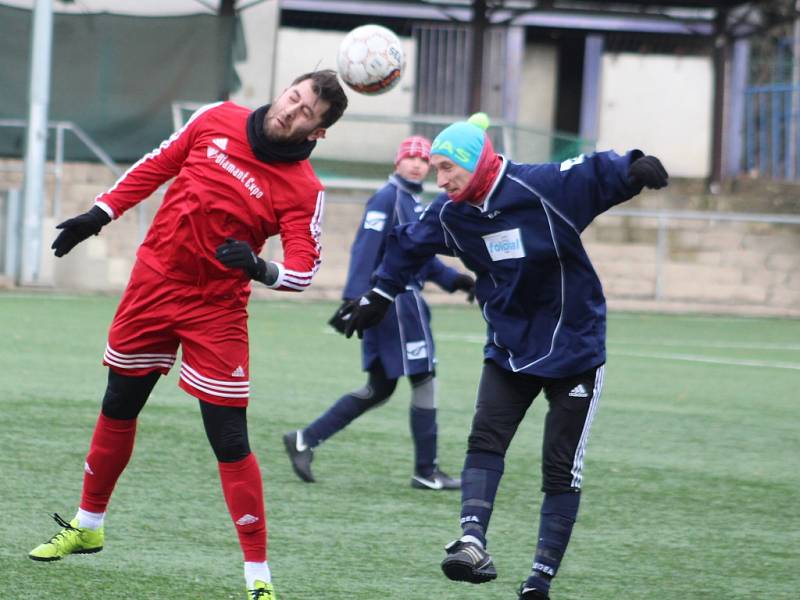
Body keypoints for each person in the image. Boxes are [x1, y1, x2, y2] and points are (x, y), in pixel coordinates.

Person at [28, 70, 349, 600]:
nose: (291, 111)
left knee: (228, 439)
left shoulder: (304, 189)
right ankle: (88, 525)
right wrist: (100, 213)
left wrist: (259, 267)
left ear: (318, 132)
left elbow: (304, 268)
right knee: (119, 404)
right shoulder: (215, 118)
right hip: (155, 281)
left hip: (215, 309)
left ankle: (259, 578)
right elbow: (158, 164)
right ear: (284, 89)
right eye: (294, 97)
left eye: (306, 113)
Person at [341, 113, 668, 599]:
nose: (441, 178)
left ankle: (539, 579)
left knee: (560, 468)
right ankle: (472, 541)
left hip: (574, 345)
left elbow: (590, 172)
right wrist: (379, 296)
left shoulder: (537, 186)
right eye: (436, 169)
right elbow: (409, 247)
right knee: (485, 439)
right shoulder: (450, 213)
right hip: (510, 346)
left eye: (448, 167)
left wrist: (633, 167)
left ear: (476, 163)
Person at [283, 135, 475, 490]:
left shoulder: (412, 200)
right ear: (397, 162)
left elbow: (419, 256)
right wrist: (355, 298)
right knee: (424, 381)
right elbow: (365, 249)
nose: (417, 164)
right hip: (395, 307)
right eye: (410, 158)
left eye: (423, 159)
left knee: (380, 388)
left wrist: (455, 280)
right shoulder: (388, 198)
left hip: (398, 305)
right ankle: (426, 470)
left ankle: (304, 439)